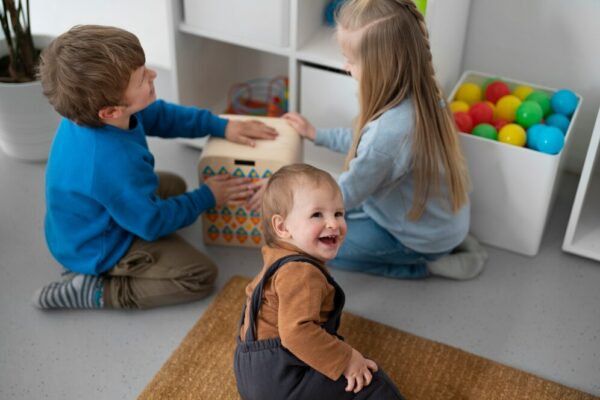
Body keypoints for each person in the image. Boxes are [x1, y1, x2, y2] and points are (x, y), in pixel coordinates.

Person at [32, 25, 277, 310]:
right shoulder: (112, 163)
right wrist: (208, 197)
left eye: (145, 68)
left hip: (83, 222)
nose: (153, 75)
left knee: (173, 185)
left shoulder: (93, 114)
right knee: (200, 275)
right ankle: (95, 290)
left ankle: (135, 227)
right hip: (97, 247)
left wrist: (222, 125)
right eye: (142, 79)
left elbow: (160, 116)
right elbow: (151, 225)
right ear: (111, 111)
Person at [280, 0, 487, 280]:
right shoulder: (426, 92)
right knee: (326, 224)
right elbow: (363, 144)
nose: (345, 66)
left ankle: (425, 265)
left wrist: (297, 212)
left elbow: (347, 195)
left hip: (416, 239)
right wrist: (317, 135)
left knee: (317, 246)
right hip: (438, 222)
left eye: (351, 60)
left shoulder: (389, 132)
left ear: (380, 69)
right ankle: (450, 243)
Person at [234, 164, 404, 400]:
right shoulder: (301, 273)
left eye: (338, 213)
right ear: (282, 227)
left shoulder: (277, 257)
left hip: (251, 372)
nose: (333, 223)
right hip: (280, 380)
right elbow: (296, 333)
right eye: (317, 215)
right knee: (370, 381)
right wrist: (347, 359)